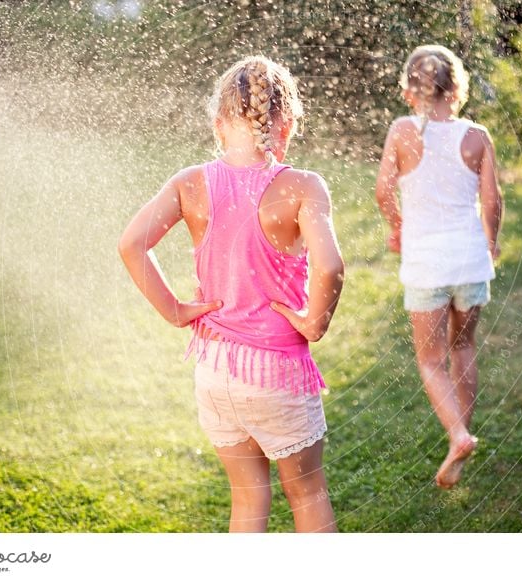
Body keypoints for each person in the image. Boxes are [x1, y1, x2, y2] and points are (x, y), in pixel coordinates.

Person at [118, 56, 344, 531]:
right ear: (288, 124)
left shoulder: (189, 183)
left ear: (220, 125)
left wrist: (176, 311)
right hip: (278, 373)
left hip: (215, 371)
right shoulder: (303, 186)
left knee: (246, 502)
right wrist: (315, 321)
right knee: (306, 495)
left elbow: (131, 244)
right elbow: (330, 265)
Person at [375, 45, 503, 490]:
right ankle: (460, 441)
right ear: (457, 87)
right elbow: (492, 200)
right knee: (462, 349)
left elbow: (382, 191)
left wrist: (397, 227)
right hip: (469, 263)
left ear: (411, 91)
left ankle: (459, 435)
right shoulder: (477, 136)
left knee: (430, 361)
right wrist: (491, 243)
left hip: (427, 266)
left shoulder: (402, 131)